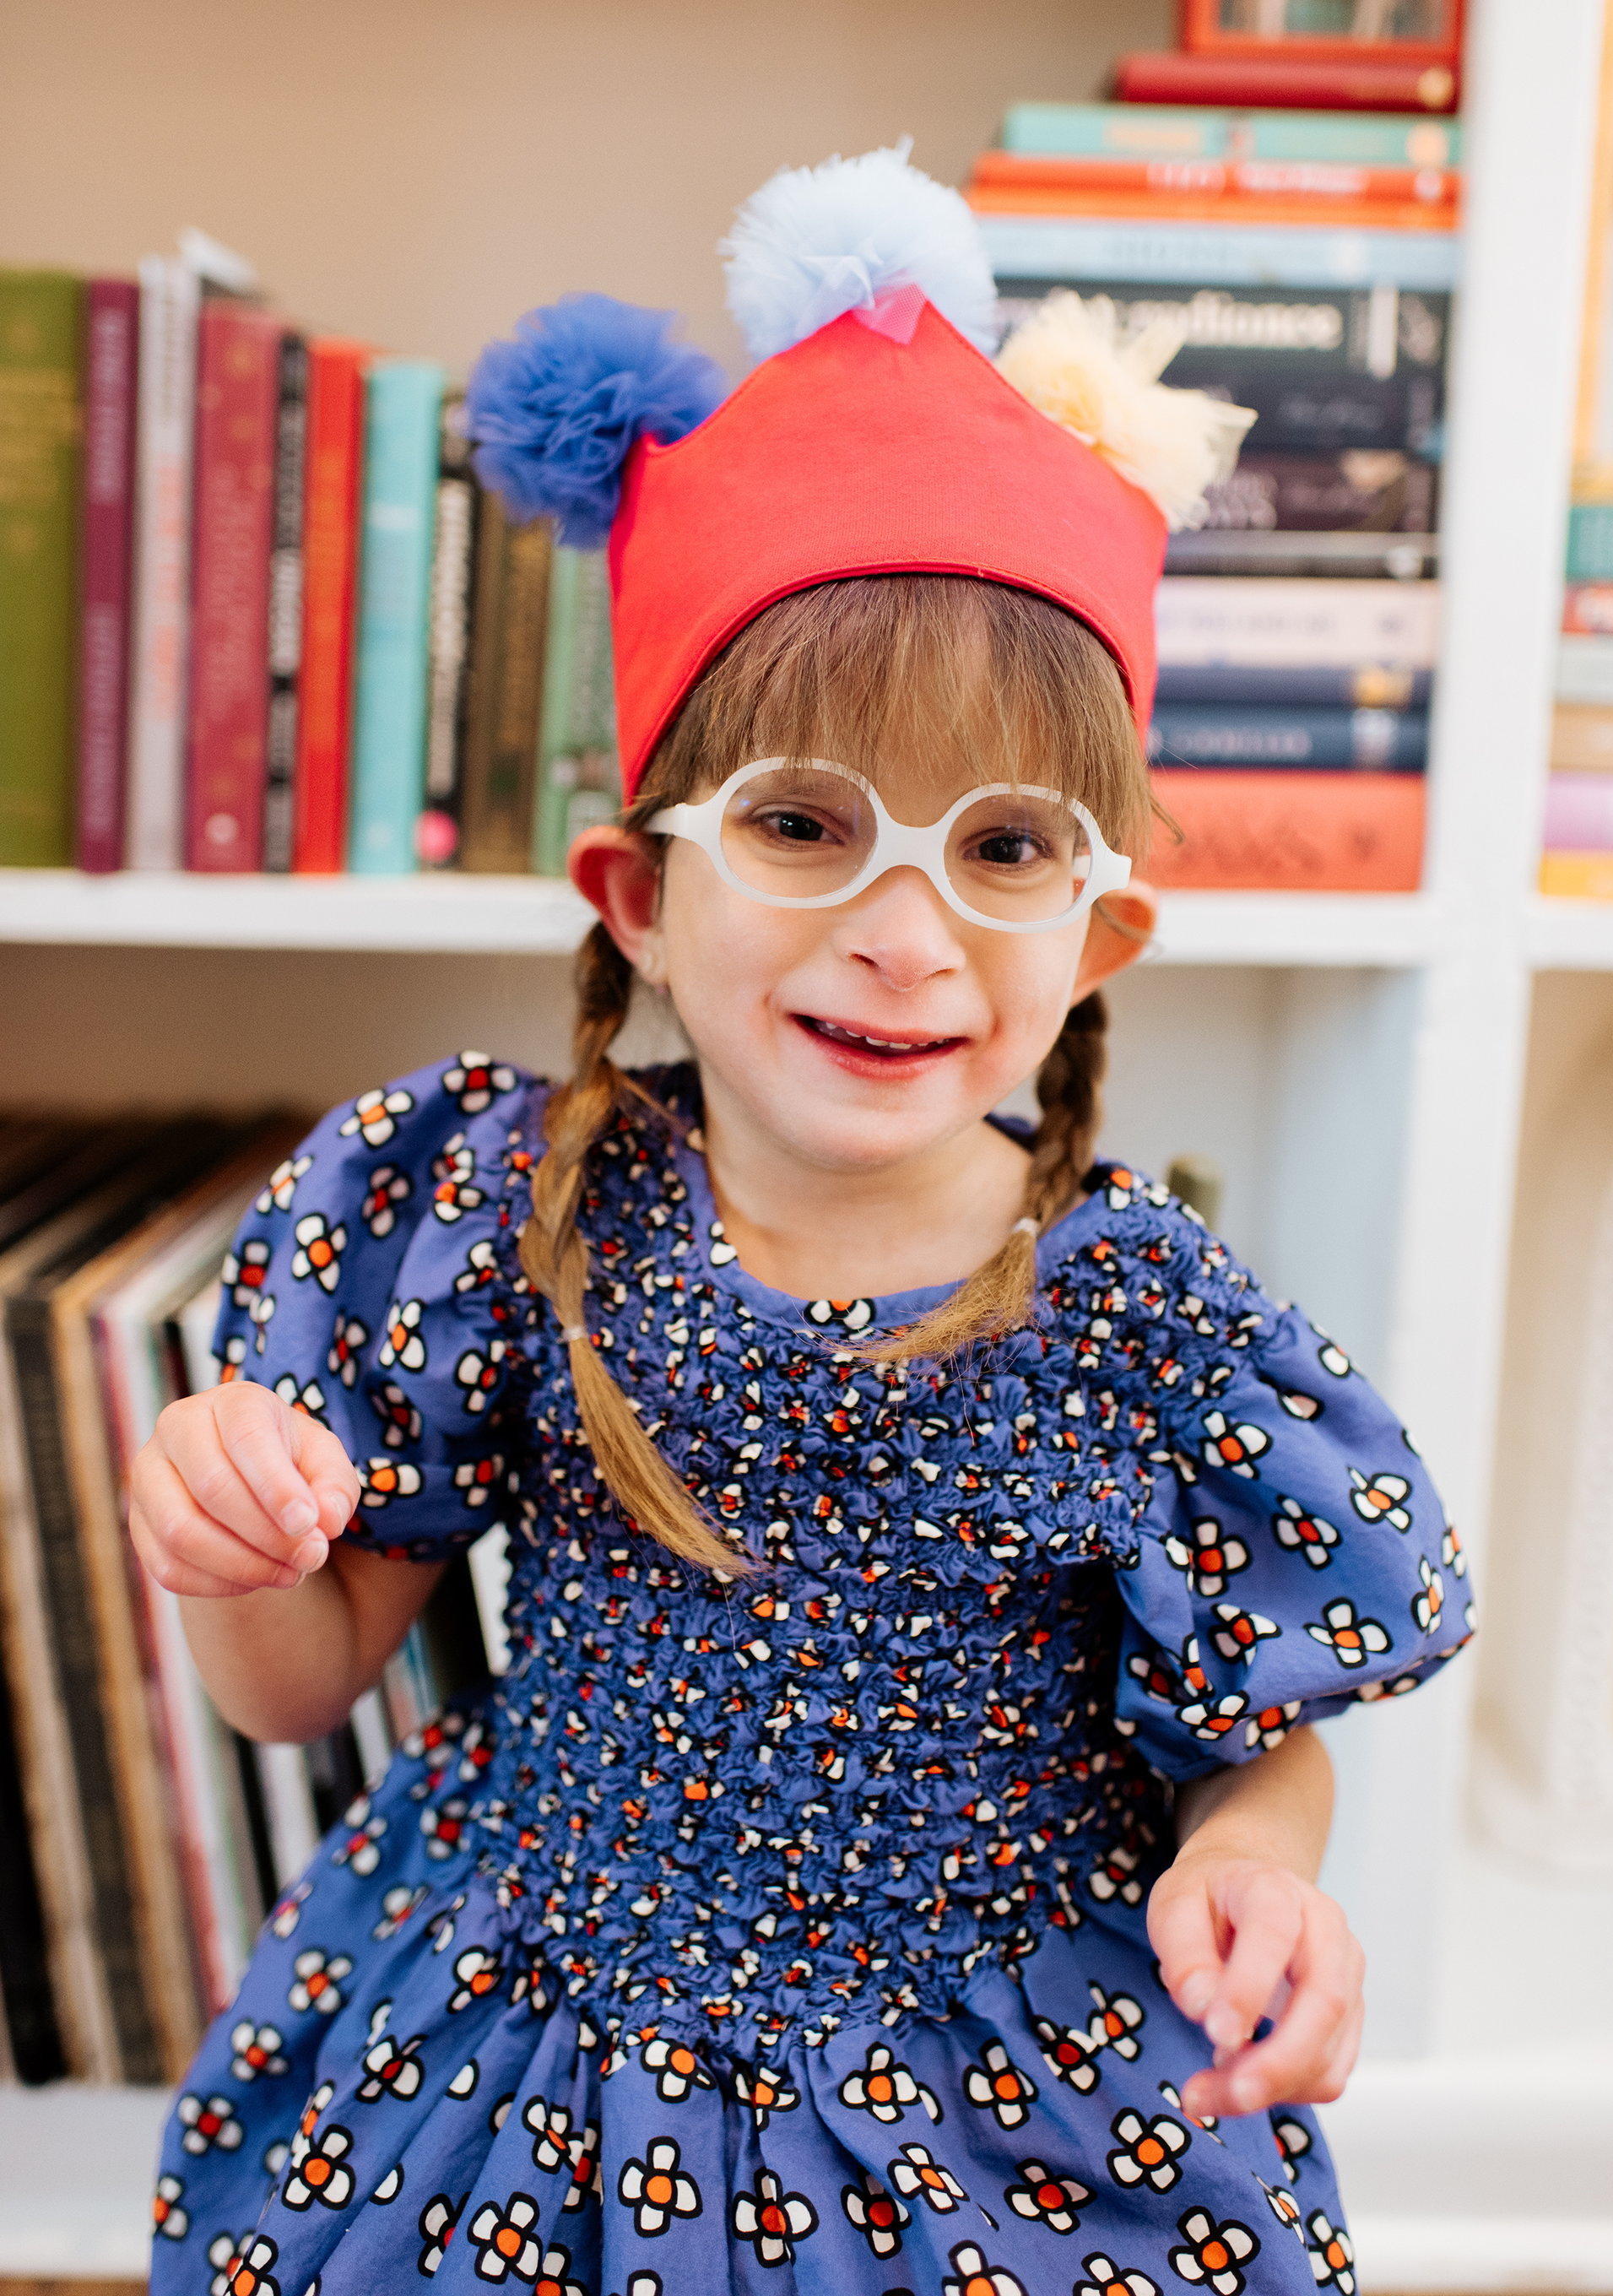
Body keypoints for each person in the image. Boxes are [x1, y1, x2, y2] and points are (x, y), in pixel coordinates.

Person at [135, 147, 1470, 2296]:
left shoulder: (1139, 1319)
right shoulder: (505, 1216)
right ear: (642, 896)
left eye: (1000, 848)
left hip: (987, 2114)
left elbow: (1256, 1744)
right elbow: (302, 1686)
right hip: (528, 2071)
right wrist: (222, 1537)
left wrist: (1256, 1876)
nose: (902, 931)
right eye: (802, 824)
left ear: (1099, 927)